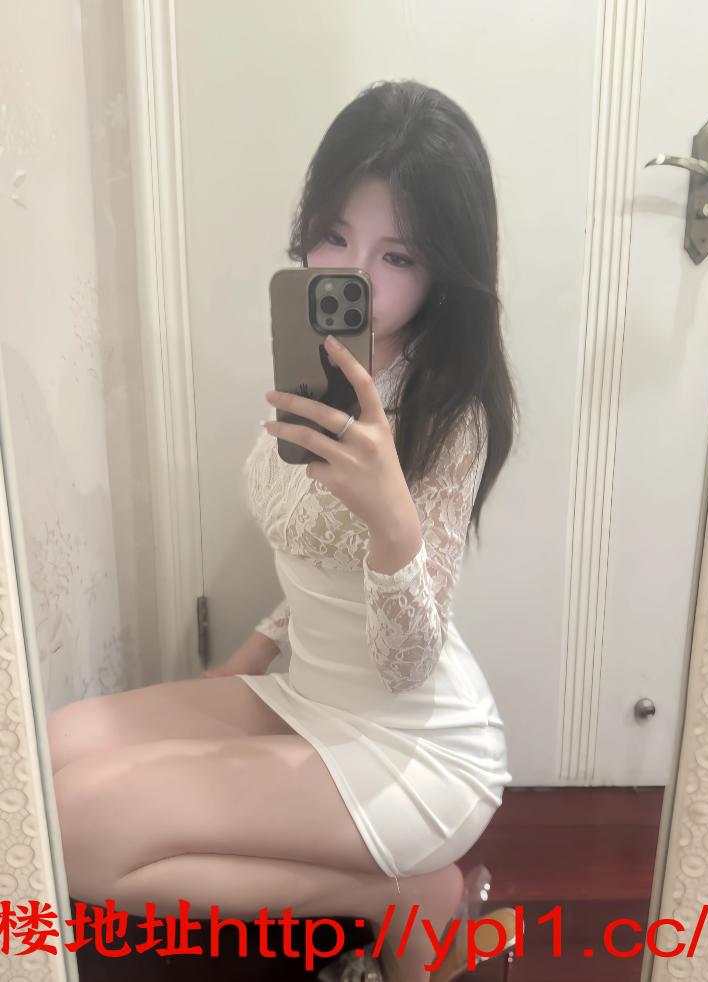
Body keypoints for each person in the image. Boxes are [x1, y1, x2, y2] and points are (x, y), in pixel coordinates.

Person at [49, 79, 519, 982]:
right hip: (311, 694)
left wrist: (391, 518)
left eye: (397, 255)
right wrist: (251, 656)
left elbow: (409, 660)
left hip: (411, 742)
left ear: (444, 272)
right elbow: (310, 552)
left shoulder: (447, 414)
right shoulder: (314, 368)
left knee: (74, 828)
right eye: (335, 236)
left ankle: (394, 897)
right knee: (54, 752)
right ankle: (391, 896)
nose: (354, 275)